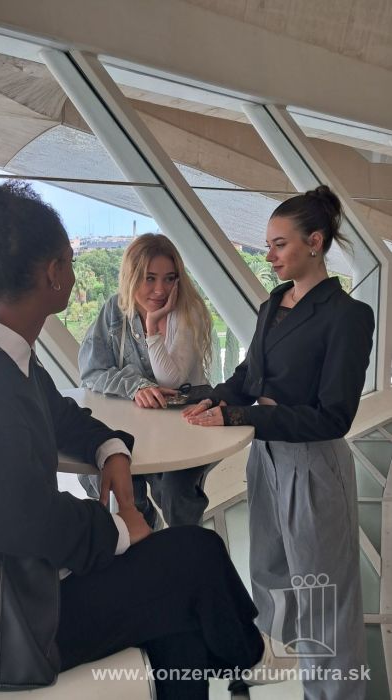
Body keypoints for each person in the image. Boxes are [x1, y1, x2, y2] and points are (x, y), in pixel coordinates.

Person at [0, 174, 291, 700]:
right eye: (70, 260)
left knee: (180, 616)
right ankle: (248, 655)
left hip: (19, 589)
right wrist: (120, 527)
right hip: (0, 622)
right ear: (53, 272)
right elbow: (23, 523)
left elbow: (65, 418)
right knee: (196, 555)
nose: (73, 270)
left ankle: (243, 656)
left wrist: (110, 451)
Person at [183, 185, 374, 700]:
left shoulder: (348, 316)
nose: (269, 256)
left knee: (323, 594)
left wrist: (242, 414)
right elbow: (249, 377)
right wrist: (211, 399)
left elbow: (333, 417)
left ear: (315, 241)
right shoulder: (275, 304)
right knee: (271, 575)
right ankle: (288, 667)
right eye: (268, 245)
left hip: (313, 463)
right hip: (266, 456)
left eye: (279, 244)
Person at [79, 233, 213, 528]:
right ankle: (143, 538)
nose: (160, 289)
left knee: (176, 492)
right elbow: (92, 371)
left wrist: (153, 325)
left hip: (187, 421)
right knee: (112, 477)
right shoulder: (115, 311)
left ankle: (187, 548)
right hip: (136, 427)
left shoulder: (187, 311)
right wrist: (136, 386)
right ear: (131, 276)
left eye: (169, 278)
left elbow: (171, 380)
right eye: (149, 278)